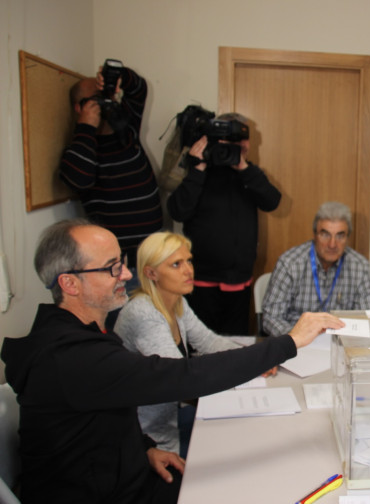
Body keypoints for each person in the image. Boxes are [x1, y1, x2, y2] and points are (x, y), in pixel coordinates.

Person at [0, 219, 343, 504]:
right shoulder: (71, 357)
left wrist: (145, 449)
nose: (124, 275)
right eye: (112, 268)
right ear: (70, 283)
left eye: (121, 263)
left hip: (122, 473)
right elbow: (180, 376)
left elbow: (101, 417)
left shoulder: (81, 334)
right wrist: (289, 342)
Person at [114, 231, 274, 459]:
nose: (189, 270)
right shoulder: (143, 313)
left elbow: (209, 341)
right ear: (151, 273)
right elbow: (182, 380)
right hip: (148, 437)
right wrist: (242, 370)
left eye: (188, 261)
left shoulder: (177, 302)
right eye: (176, 264)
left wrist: (255, 359)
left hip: (171, 418)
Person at [167, 112, 281, 336]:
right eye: (232, 139)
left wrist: (244, 169)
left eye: (244, 138)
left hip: (238, 280)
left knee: (234, 344)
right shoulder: (199, 172)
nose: (241, 145)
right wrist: (197, 168)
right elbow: (177, 211)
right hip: (199, 281)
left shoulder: (249, 173)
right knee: (200, 343)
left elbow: (272, 201)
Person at [59, 62, 163, 268]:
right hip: (118, 264)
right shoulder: (80, 147)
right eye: (97, 100)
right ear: (79, 107)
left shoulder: (126, 129)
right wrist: (86, 127)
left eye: (107, 98)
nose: (106, 104)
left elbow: (139, 89)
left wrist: (118, 76)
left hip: (154, 257)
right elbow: (81, 180)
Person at [262, 201, 370, 337]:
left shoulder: (359, 267)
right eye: (325, 234)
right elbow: (271, 318)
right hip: (297, 345)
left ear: (347, 238)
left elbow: (366, 318)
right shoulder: (289, 263)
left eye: (340, 235)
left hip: (340, 343)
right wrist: (296, 339)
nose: (332, 244)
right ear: (315, 235)